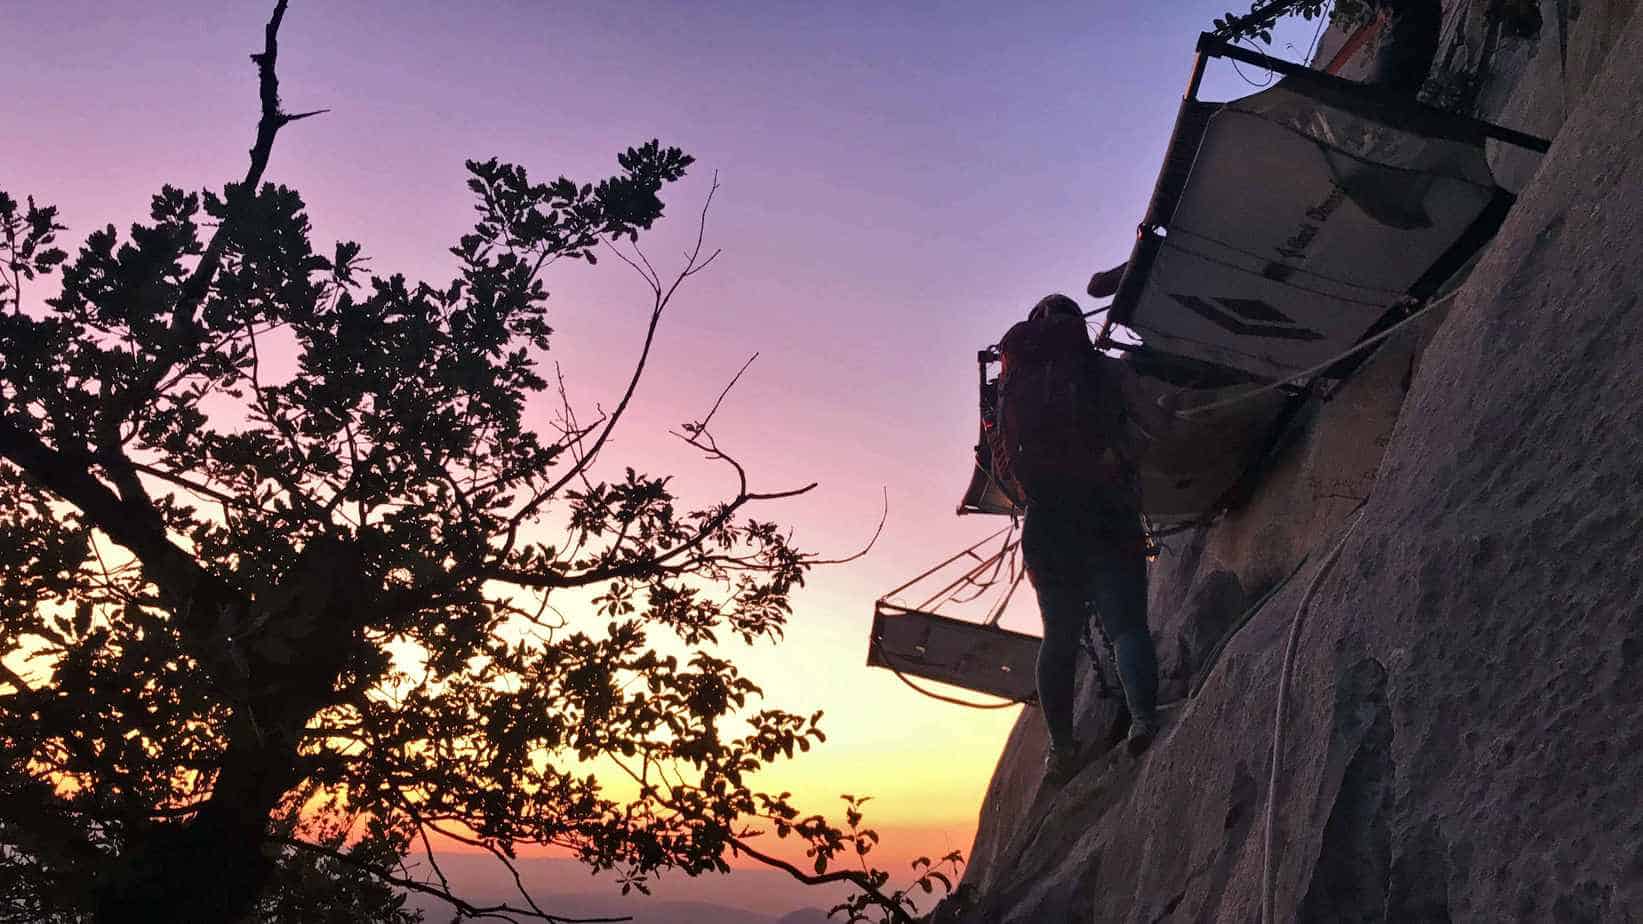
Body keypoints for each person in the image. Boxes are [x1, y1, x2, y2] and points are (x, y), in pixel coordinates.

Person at [986, 293, 1161, 786]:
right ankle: (1144, 720)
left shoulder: (1012, 386)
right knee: (1126, 626)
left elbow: (1000, 462)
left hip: (1048, 526)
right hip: (1108, 514)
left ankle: (1061, 750)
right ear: (1076, 324)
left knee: (1058, 640)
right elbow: (1150, 428)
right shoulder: (1103, 371)